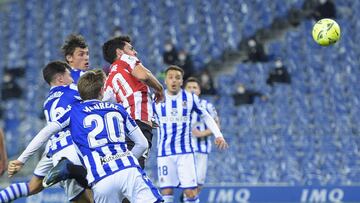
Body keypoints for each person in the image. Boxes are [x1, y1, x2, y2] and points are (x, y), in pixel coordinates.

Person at [7, 70, 163, 203]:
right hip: (128, 170)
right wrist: (125, 159)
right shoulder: (117, 108)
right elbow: (142, 144)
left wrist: (22, 159)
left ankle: (72, 169)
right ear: (102, 90)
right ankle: (72, 169)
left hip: (101, 179)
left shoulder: (74, 111)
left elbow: (46, 132)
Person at [0, 61, 91, 203]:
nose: (72, 78)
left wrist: (21, 160)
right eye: (69, 75)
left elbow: (48, 131)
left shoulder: (47, 102)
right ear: (61, 78)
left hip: (54, 150)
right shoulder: (74, 90)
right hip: (75, 147)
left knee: (33, 186)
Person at [153, 65, 228, 203]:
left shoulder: (190, 99)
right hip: (164, 153)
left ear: (182, 81)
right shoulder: (156, 99)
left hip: (185, 153)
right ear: (165, 81)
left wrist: (218, 135)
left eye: (177, 78)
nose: (174, 80)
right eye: (170, 77)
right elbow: (146, 117)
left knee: (191, 192)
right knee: (167, 192)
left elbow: (206, 116)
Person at [102, 35, 164, 169]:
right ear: (120, 52)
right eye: (131, 49)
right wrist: (159, 88)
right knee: (134, 169)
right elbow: (144, 75)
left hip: (128, 125)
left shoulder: (109, 80)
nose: (135, 52)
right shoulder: (125, 59)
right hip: (139, 122)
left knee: (130, 167)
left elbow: (110, 105)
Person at [184, 77, 220, 196]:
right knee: (188, 183)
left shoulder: (207, 106)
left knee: (199, 183)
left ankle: (188, 199)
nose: (192, 90)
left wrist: (202, 133)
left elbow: (216, 125)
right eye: (189, 87)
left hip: (202, 149)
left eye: (195, 87)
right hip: (185, 150)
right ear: (184, 90)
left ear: (199, 90)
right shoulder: (179, 106)